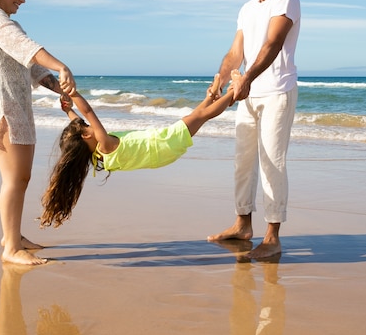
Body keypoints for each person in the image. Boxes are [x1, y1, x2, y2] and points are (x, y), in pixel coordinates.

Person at [0, 0, 76, 265]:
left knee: (21, 178)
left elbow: (32, 67)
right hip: (2, 108)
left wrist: (61, 89)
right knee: (14, 179)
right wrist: (62, 66)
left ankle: (11, 236)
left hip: (18, 108)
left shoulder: (4, 21)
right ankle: (11, 249)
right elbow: (28, 49)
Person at [40, 73, 237, 228]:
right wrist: (74, 93)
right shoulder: (105, 145)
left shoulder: (99, 154)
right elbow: (88, 112)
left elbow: (77, 123)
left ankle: (212, 96)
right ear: (85, 136)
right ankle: (233, 93)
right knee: (201, 116)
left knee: (194, 117)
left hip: (160, 154)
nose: (86, 125)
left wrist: (67, 111)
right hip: (162, 144)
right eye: (84, 126)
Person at [207, 0, 300, 259]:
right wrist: (220, 80)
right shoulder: (246, 9)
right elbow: (236, 53)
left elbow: (273, 43)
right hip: (248, 95)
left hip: (277, 92)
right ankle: (243, 225)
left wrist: (247, 77)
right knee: (243, 162)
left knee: (273, 161)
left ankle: (272, 238)